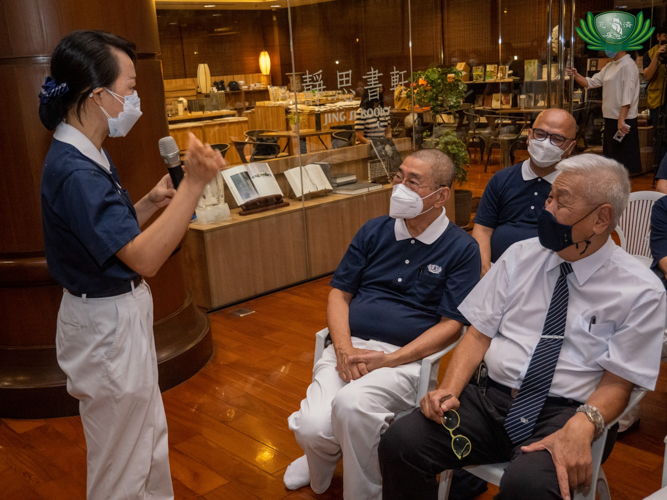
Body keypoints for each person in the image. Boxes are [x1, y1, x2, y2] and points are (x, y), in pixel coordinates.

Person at [379, 154, 666, 500]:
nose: (546, 209)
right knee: (401, 443)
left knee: (529, 486)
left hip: (567, 413)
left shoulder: (641, 290)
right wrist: (450, 391)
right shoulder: (520, 256)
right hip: (489, 401)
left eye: (562, 202)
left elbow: (619, 380)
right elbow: (478, 332)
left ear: (602, 218)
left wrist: (583, 423)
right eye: (549, 196)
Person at [39, 31, 225, 499]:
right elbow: (144, 257)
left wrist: (147, 202)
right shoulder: (75, 169)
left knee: (147, 442)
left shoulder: (87, 151)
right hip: (105, 327)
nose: (133, 98)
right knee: (121, 464)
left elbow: (106, 236)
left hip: (115, 319)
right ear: (96, 94)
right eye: (128, 87)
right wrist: (192, 187)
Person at [283, 149, 481, 499]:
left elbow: (452, 325)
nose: (399, 187)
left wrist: (389, 360)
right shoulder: (374, 230)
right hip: (350, 347)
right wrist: (344, 350)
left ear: (441, 196)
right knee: (313, 427)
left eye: (413, 182)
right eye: (398, 177)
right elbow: (338, 294)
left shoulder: (461, 248)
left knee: (351, 407)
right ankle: (322, 458)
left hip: (403, 360)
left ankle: (365, 493)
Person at [473, 108, 577, 277]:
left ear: (570, 147)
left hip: (549, 276)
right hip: (496, 272)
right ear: (529, 136)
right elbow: (483, 229)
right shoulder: (501, 179)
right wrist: (484, 270)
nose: (545, 143)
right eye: (540, 134)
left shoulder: (574, 188)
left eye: (557, 139)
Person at [568, 52, 642, 175]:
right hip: (610, 118)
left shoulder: (629, 65)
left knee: (624, 164)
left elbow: (628, 96)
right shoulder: (610, 65)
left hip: (623, 120)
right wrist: (576, 76)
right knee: (611, 163)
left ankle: (625, 191)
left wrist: (621, 119)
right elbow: (591, 82)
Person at [643, 23, 667, 165]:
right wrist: (657, 57)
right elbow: (648, 76)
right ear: (658, 37)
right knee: (659, 136)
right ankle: (660, 167)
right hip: (658, 102)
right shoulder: (650, 54)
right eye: (665, 36)